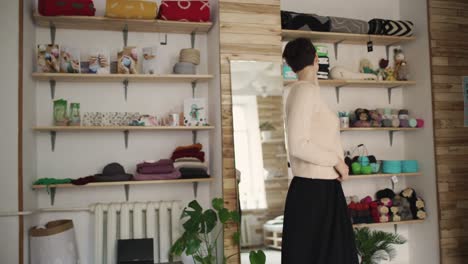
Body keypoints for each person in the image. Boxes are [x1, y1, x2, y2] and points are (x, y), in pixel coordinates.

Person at [281, 38, 359, 264]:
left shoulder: (307, 91)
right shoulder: (303, 91)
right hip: (315, 190)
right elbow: (298, 145)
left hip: (321, 189)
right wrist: (337, 161)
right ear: (316, 59)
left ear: (290, 64)